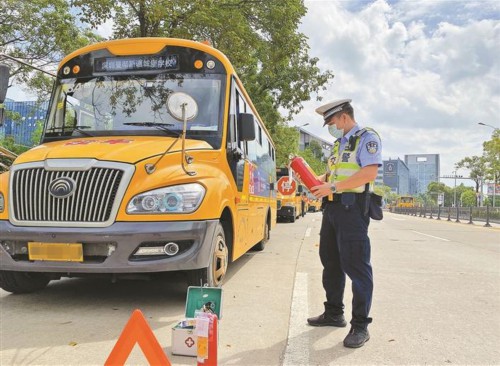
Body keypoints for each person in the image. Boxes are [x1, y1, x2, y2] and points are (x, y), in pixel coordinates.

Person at [308, 99, 382, 348]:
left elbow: (369, 173)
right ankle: (333, 313)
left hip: (352, 210)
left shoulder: (366, 138)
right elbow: (332, 175)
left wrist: (333, 186)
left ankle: (360, 326)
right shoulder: (339, 144)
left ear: (343, 117)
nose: (330, 127)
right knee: (330, 262)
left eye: (331, 122)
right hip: (332, 208)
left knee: (357, 267)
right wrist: (312, 179)